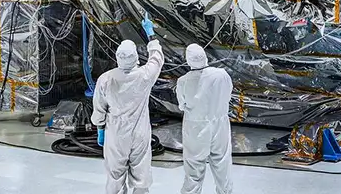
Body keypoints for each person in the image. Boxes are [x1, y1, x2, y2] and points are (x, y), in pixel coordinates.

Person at [91, 13, 164, 194]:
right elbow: (157, 58)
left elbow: (99, 109)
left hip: (115, 133)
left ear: (117, 57)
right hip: (139, 133)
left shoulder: (106, 79)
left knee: (115, 177)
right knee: (141, 178)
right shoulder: (144, 76)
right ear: (135, 57)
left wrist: (100, 128)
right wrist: (151, 34)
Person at [176, 44, 234, 194]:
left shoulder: (183, 81)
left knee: (194, 170)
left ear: (188, 60)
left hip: (196, 128)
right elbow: (228, 95)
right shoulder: (222, 74)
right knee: (222, 166)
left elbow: (182, 105)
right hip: (219, 125)